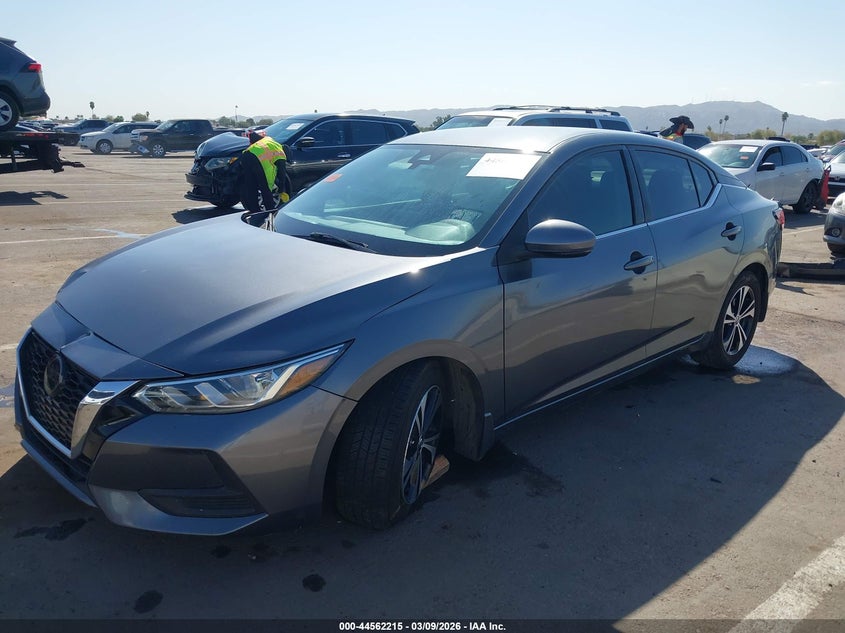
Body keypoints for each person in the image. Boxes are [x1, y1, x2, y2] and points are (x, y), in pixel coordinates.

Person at [238, 131, 292, 213]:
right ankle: (270, 212)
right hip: (256, 158)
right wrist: (281, 189)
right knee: (265, 188)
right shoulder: (280, 154)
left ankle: (254, 212)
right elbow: (282, 174)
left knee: (251, 186)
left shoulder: (270, 142)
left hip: (246, 155)